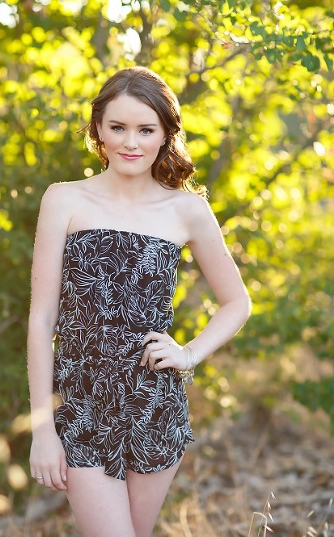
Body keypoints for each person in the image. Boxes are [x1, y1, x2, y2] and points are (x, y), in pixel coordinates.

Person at [27, 67, 251, 536]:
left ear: (166, 135)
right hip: (83, 407)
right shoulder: (64, 200)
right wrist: (42, 429)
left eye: (146, 130)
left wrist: (188, 353)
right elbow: (42, 319)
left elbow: (237, 303)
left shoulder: (186, 208)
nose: (131, 142)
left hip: (155, 404)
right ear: (99, 131)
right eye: (118, 128)